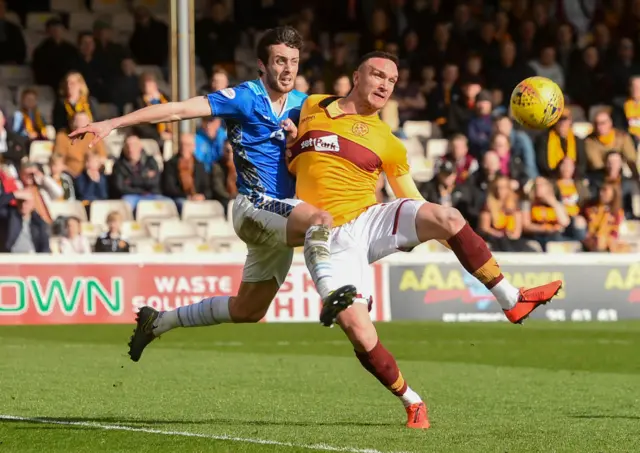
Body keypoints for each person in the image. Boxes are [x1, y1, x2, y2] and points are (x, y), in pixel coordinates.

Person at [286, 51, 563, 429]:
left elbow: (413, 200)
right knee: (358, 329)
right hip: (327, 237)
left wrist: (449, 236)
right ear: (356, 75)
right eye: (378, 75)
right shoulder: (312, 106)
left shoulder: (389, 141)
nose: (385, 84)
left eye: (392, 81)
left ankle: (511, 300)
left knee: (447, 216)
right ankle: (412, 401)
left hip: (368, 220)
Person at [68, 27, 356, 360]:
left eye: (293, 61)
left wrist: (296, 141)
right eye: (280, 60)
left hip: (281, 216)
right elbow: (177, 110)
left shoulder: (303, 106)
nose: (288, 69)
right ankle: (330, 293)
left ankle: (158, 322)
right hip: (254, 206)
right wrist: (113, 123)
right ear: (262, 65)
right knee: (320, 219)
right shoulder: (245, 97)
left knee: (248, 310)